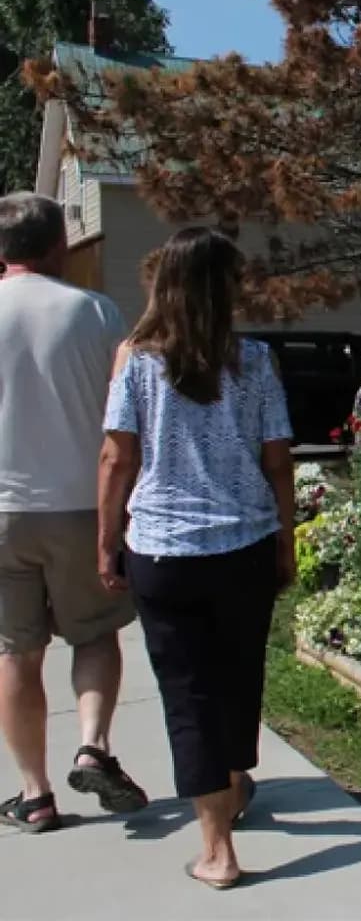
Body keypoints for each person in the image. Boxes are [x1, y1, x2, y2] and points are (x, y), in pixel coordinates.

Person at [98, 227, 296, 889]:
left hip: (164, 550)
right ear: (222, 288)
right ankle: (234, 785)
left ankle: (217, 847)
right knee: (239, 678)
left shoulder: (139, 360)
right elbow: (278, 461)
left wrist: (107, 543)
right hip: (243, 545)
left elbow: (116, 458)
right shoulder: (256, 362)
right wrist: (286, 540)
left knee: (190, 696)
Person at [0, 192, 148, 833]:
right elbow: (126, 416)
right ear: (59, 244)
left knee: (15, 653)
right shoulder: (97, 312)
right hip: (84, 504)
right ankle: (93, 745)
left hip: (3, 508)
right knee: (95, 633)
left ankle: (34, 793)